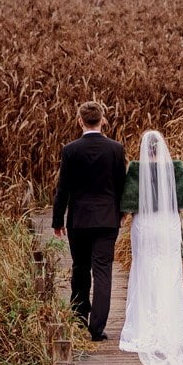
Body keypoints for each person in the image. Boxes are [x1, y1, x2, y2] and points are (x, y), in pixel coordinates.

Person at [119, 130, 183, 365]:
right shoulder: (176, 168)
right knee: (169, 271)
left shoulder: (135, 169)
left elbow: (127, 203)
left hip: (145, 226)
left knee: (144, 269)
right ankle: (169, 327)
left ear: (145, 149)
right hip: (168, 226)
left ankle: (143, 328)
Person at [52, 101, 127, 342]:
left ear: (79, 121)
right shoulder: (116, 149)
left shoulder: (70, 150)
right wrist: (121, 213)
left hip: (79, 220)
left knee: (80, 267)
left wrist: (57, 220)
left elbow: (63, 189)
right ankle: (97, 328)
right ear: (102, 120)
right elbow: (121, 184)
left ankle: (79, 317)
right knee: (103, 272)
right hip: (107, 219)